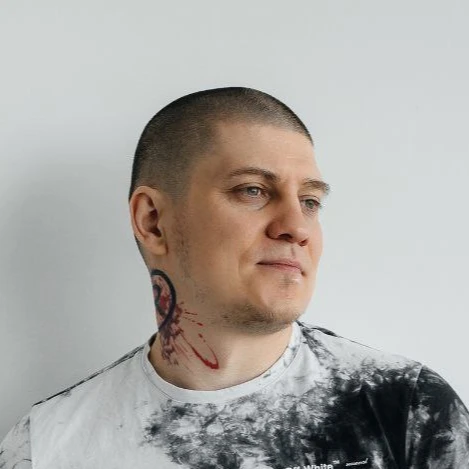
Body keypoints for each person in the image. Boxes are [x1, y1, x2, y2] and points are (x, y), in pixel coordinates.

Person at [1, 87, 468, 469]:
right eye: (253, 191)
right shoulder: (47, 445)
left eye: (310, 201)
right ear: (153, 222)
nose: (298, 227)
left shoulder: (406, 408)